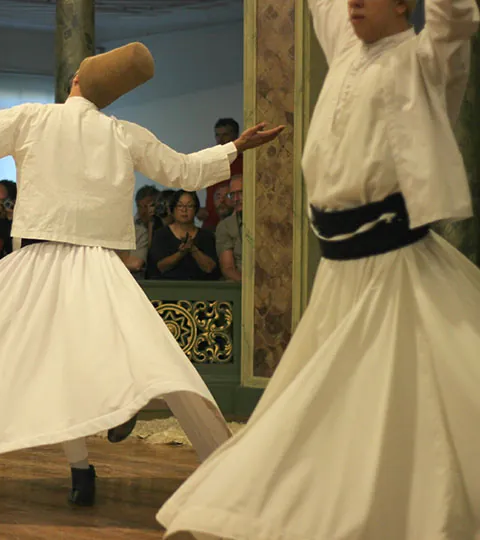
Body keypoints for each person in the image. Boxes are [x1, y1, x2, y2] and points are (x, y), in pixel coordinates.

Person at [0, 42, 283, 506]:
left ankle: (87, 462)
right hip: (98, 263)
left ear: (75, 82)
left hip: (42, 262)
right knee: (137, 354)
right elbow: (184, 170)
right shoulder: (123, 133)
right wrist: (234, 148)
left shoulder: (35, 118)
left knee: (45, 363)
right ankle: (133, 440)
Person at [158, 0, 480, 538]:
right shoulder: (347, 48)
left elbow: (456, 16)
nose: (352, 3)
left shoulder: (429, 59)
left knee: (405, 407)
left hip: (394, 269)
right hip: (339, 276)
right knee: (331, 407)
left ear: (403, 3)